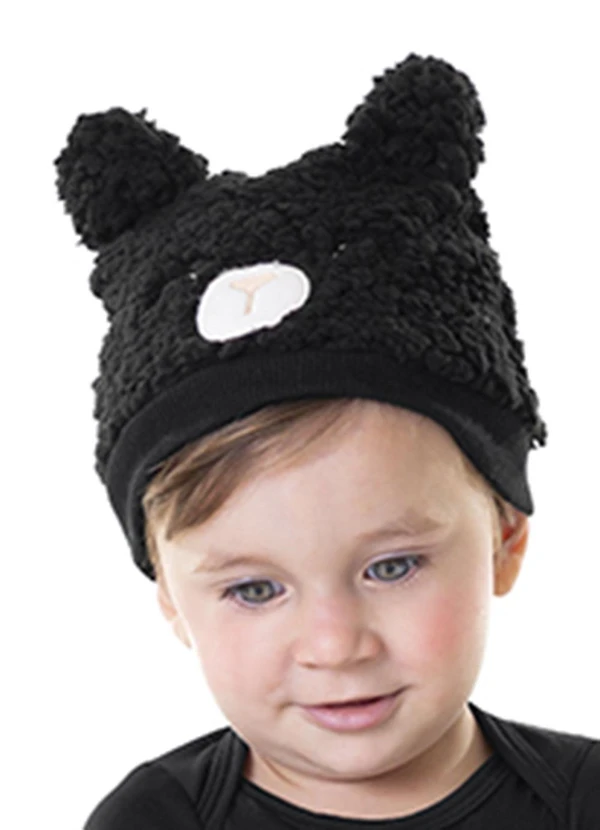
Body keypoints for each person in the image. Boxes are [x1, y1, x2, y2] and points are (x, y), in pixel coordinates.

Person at [55, 53, 599, 829]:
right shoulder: (156, 819)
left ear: (505, 540)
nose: (335, 646)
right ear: (171, 597)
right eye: (254, 589)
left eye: (392, 566)